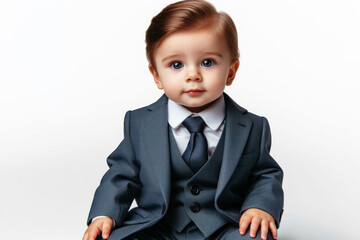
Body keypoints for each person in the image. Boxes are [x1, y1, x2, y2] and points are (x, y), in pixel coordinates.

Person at [82, 1, 284, 239]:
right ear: (157, 76)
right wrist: (105, 214)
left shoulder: (252, 127)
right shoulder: (139, 124)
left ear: (231, 71)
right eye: (176, 65)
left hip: (225, 227)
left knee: (256, 236)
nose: (193, 75)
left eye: (207, 62)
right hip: (158, 226)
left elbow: (265, 174)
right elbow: (121, 174)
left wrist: (259, 206)